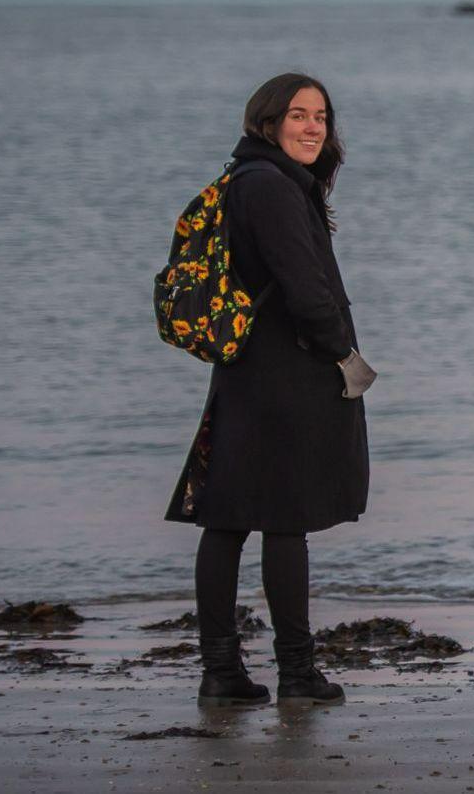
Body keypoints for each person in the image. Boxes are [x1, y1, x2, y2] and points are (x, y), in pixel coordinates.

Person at [165, 72, 374, 707]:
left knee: (227, 519)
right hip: (290, 374)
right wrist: (347, 355)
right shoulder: (273, 188)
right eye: (299, 115)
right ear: (268, 121)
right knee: (286, 521)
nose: (313, 127)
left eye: (321, 116)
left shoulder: (250, 180)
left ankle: (222, 673)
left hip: (247, 373)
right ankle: (296, 674)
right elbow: (306, 288)